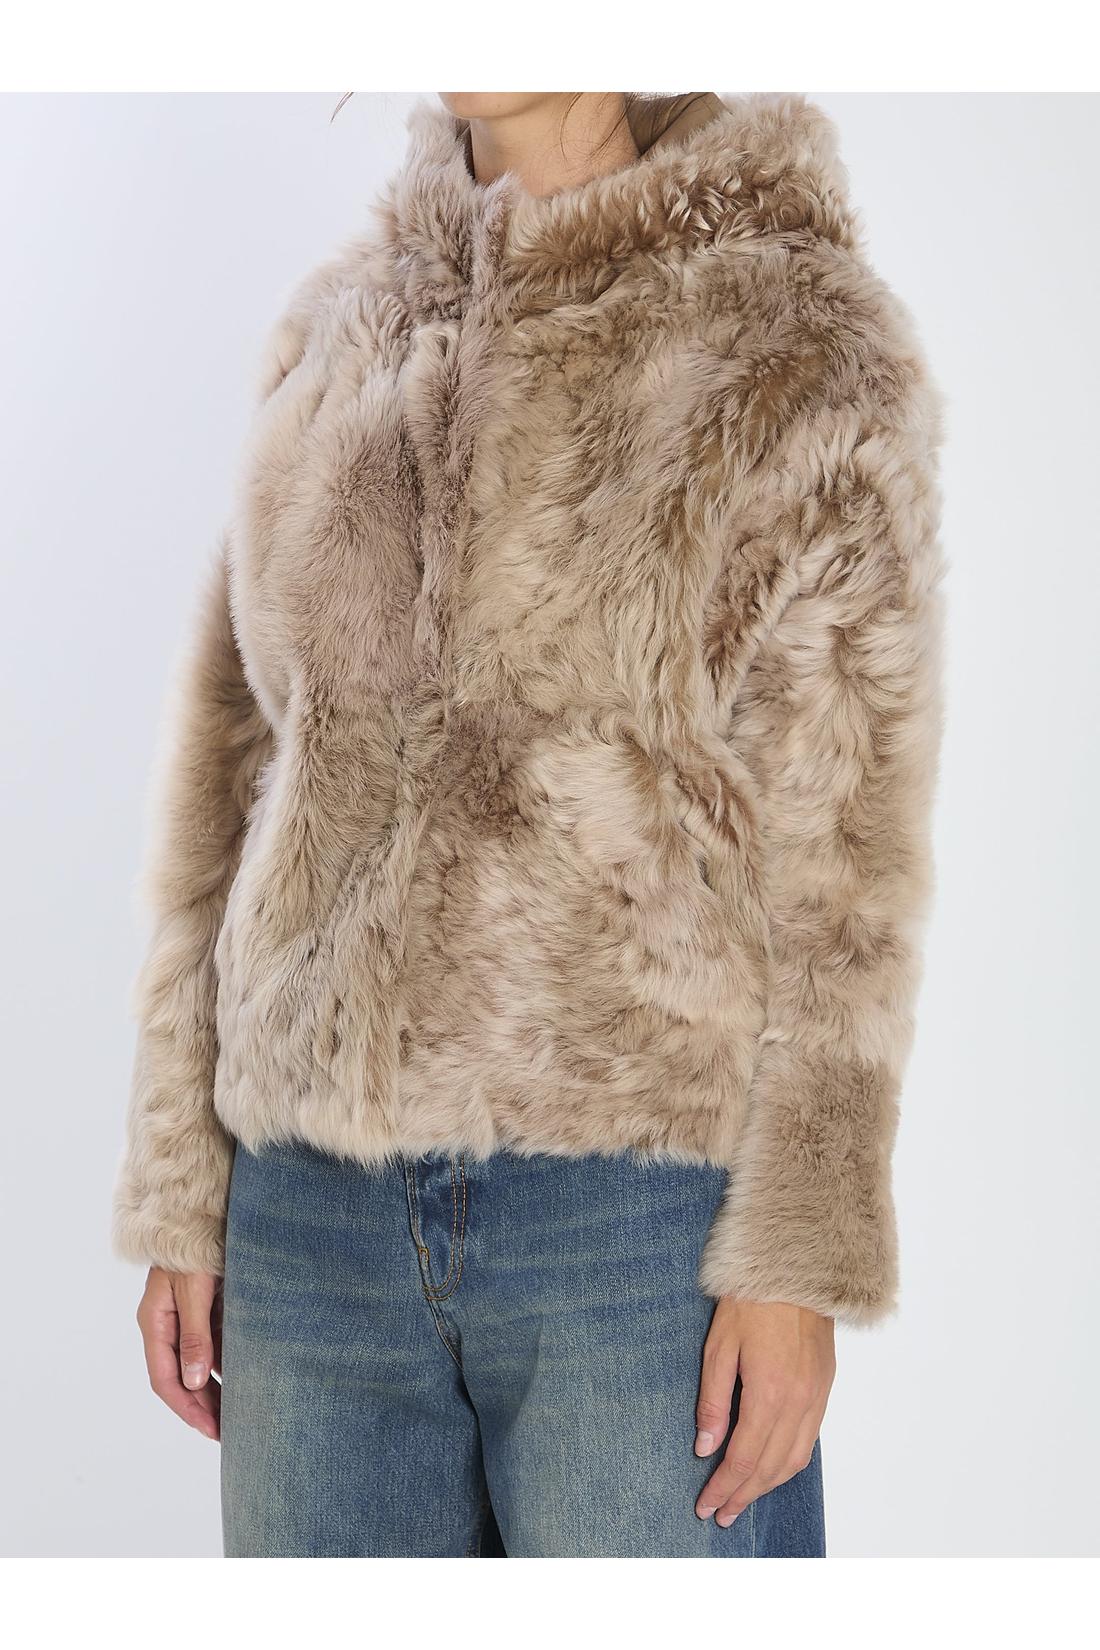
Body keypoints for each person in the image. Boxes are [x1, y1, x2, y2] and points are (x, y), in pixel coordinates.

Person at [113, 90, 945, 1558]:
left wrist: (801, 1254)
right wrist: (185, 1179)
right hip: (309, 1218)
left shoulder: (796, 337)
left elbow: (846, 858)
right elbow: (231, 775)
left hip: (631, 1227)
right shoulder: (337, 336)